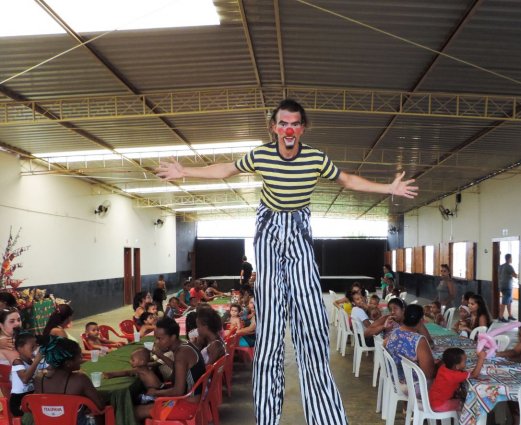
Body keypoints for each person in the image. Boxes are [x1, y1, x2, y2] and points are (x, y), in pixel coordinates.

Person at [157, 98, 418, 425]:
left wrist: (388, 186)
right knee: (269, 334)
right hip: (268, 226)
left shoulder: (314, 158)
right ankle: (267, 415)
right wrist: (186, 171)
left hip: (298, 226)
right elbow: (226, 169)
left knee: (311, 325)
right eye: (283, 123)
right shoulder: (262, 154)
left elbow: (348, 180)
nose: (289, 129)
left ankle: (325, 417)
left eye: (295, 123)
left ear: (302, 128)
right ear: (274, 128)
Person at [135, 317, 205, 421]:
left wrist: (154, 393)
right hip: (195, 398)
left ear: (173, 337)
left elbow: (178, 391)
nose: (156, 342)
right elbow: (179, 369)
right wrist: (161, 355)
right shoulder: (185, 344)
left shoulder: (181, 354)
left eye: (160, 338)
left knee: (136, 411)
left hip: (187, 404)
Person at [35, 337, 105, 424]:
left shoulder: (39, 379)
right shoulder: (80, 379)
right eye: (79, 355)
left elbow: (37, 405)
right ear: (68, 363)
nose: (81, 358)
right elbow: (100, 406)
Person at [384, 304, 435, 384]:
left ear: (404, 317)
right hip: (410, 386)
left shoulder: (395, 332)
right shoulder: (419, 340)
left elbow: (384, 345)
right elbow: (428, 374)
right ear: (422, 320)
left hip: (392, 378)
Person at [9, 331, 43, 417]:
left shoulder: (33, 361)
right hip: (18, 400)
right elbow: (25, 379)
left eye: (37, 346)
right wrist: (37, 361)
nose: (36, 350)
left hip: (31, 397)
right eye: (32, 347)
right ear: (20, 348)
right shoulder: (17, 362)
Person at [497, 254, 518, 322]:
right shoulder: (509, 266)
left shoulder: (501, 266)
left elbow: (500, 275)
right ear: (509, 258)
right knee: (504, 302)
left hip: (501, 285)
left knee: (509, 301)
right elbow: (515, 275)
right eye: (511, 258)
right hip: (507, 287)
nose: (512, 259)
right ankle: (500, 317)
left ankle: (510, 315)